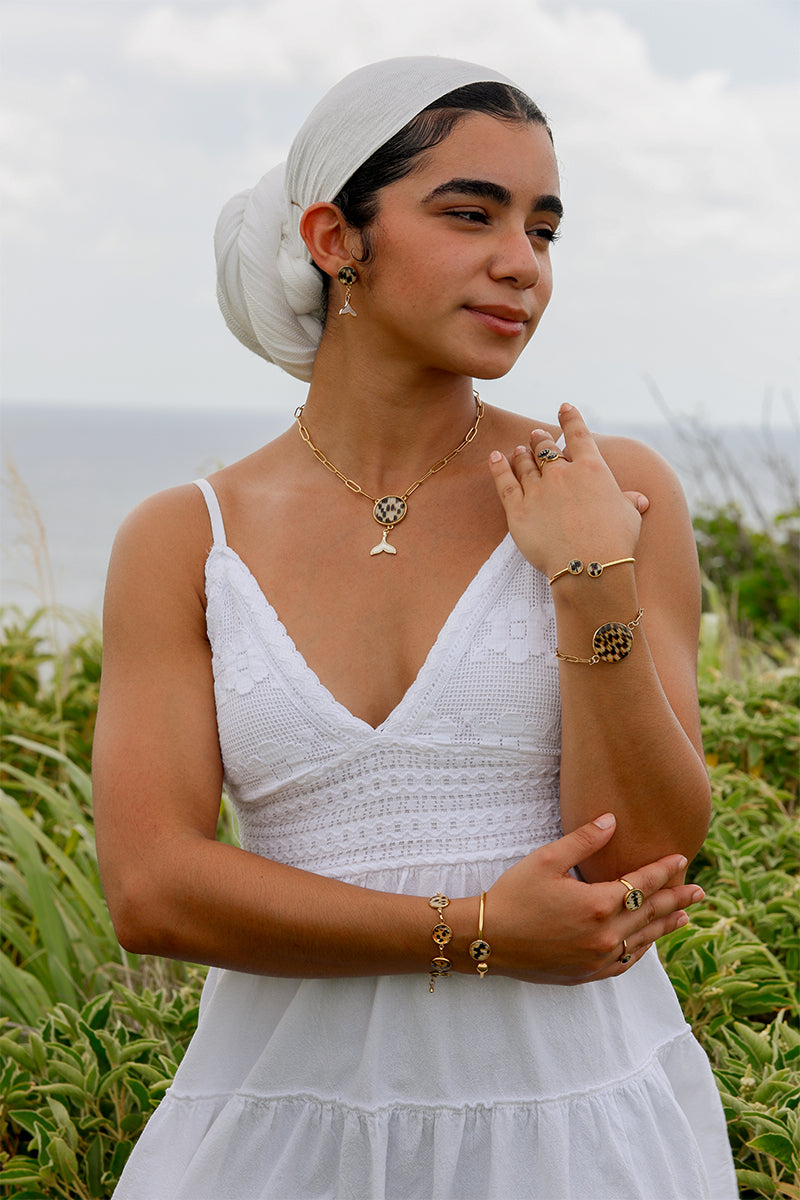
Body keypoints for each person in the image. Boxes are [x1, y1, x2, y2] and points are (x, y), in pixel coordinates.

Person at [94, 56, 737, 1200]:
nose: (520, 264)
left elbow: (642, 855)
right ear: (337, 238)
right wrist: (477, 928)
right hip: (277, 1140)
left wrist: (587, 577)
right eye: (469, 213)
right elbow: (153, 889)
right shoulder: (185, 538)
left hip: (577, 1130)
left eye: (542, 229)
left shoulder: (607, 484)